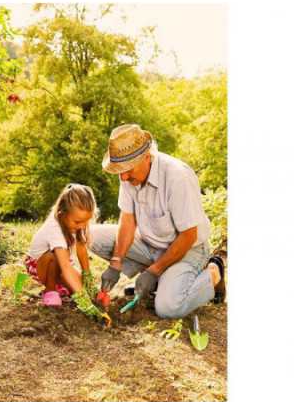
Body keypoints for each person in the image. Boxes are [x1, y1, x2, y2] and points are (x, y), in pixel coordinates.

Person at [89, 124, 225, 319]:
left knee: (167, 308)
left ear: (147, 156)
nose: (123, 177)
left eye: (127, 170)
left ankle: (213, 273)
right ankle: (163, 280)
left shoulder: (177, 177)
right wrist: (116, 263)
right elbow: (127, 220)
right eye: (120, 170)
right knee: (91, 236)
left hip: (188, 249)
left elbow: (189, 236)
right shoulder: (128, 176)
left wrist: (153, 271)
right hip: (149, 243)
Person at [25, 183, 107, 320]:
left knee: (83, 289)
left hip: (63, 263)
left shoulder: (77, 222)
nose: (81, 226)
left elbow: (81, 248)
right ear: (62, 213)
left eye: (85, 222)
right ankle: (50, 291)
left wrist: (87, 276)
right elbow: (66, 268)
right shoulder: (54, 227)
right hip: (40, 264)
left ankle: (62, 287)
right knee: (54, 259)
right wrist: (85, 304)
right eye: (78, 222)